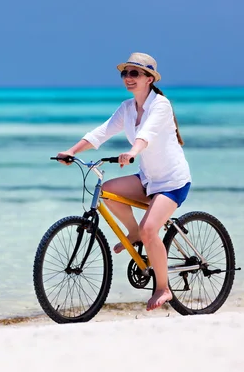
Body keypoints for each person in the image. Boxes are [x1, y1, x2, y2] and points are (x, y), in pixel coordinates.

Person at [56, 52, 191, 311]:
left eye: (135, 73)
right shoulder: (127, 108)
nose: (128, 78)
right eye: (125, 73)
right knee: (106, 191)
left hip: (172, 182)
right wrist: (72, 151)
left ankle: (163, 288)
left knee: (152, 229)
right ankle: (135, 232)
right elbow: (102, 132)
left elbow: (147, 134)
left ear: (149, 78)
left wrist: (132, 153)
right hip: (148, 179)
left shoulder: (161, 105)